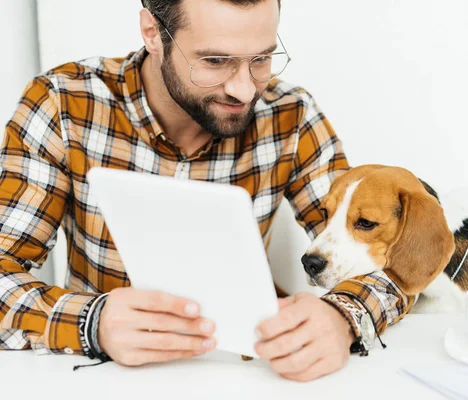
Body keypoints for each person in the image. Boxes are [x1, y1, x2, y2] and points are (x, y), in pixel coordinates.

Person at [0, 0, 413, 382]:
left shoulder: (292, 113)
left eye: (262, 59)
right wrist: (92, 321)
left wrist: (342, 317)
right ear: (152, 33)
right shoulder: (64, 103)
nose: (245, 90)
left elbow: (400, 255)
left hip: (250, 378)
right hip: (102, 379)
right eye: (215, 61)